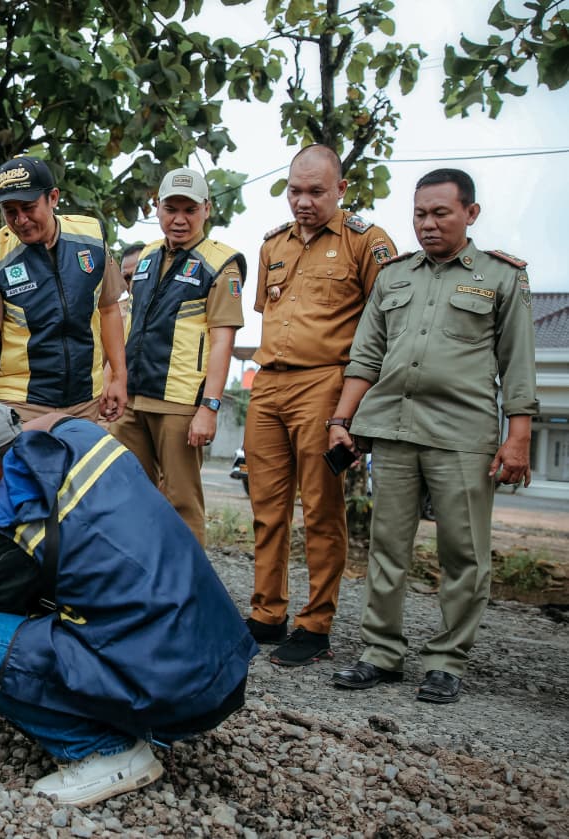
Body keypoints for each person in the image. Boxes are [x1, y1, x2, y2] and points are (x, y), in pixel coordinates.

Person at [0, 400, 255, 807]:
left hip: (177, 694)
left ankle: (104, 751)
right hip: (221, 662)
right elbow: (51, 419)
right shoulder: (84, 438)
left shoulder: (5, 540)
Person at [327, 169, 538, 704]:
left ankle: (446, 661)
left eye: (440, 212)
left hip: (462, 435)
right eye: (420, 213)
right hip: (393, 429)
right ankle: (380, 653)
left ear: (471, 214)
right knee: (386, 548)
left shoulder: (501, 277)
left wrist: (518, 438)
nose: (427, 224)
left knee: (463, 553)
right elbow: (365, 356)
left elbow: (518, 365)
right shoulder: (394, 277)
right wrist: (340, 421)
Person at [244, 144, 396, 667]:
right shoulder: (273, 246)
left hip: (325, 384)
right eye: (295, 191)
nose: (303, 202)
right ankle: (268, 613)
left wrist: (353, 409)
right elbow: (270, 310)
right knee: (266, 508)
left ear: (341, 190)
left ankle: (316, 624)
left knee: (322, 511)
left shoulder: (367, 243)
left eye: (316, 191)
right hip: (268, 384)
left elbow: (384, 328)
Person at [110, 169, 244, 546]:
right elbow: (130, 322)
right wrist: (114, 380)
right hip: (134, 399)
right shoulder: (148, 255)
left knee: (182, 504)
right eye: (171, 208)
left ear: (207, 209)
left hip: (181, 404)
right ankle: (137, 583)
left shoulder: (220, 263)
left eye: (190, 209)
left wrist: (210, 407)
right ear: (158, 208)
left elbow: (222, 342)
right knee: (126, 495)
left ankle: (187, 594)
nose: (180, 219)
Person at [0, 157, 127, 425]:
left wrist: (118, 377)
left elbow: (108, 308)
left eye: (28, 207)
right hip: (22, 404)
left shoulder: (92, 239)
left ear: (53, 197)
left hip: (87, 400)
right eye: (9, 210)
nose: (20, 220)